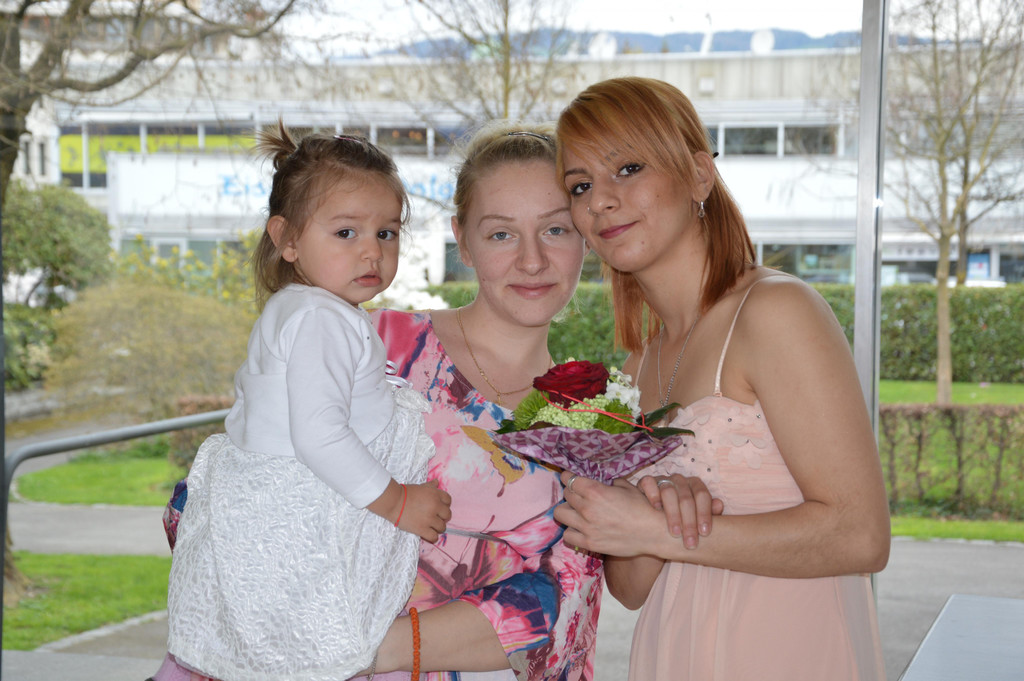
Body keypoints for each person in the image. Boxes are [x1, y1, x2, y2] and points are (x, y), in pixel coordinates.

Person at [151, 120, 613, 681]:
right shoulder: (369, 343)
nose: (532, 260)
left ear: (586, 236)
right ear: (462, 240)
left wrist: (370, 647)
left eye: (556, 229)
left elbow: (567, 605)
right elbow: (215, 504)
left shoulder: (594, 424)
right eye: (500, 234)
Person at [552, 76, 891, 680]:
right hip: (675, 651)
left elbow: (860, 535)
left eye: (627, 168)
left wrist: (658, 529)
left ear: (699, 175)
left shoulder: (776, 311)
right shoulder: (636, 367)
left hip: (783, 653)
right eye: (581, 186)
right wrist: (633, 511)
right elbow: (631, 588)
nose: (600, 200)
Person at [163, 124, 452, 681]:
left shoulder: (306, 309)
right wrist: (398, 502)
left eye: (387, 232)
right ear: (287, 239)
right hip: (307, 513)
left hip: (284, 504)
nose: (372, 250)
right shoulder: (320, 318)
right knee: (313, 644)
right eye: (346, 232)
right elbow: (320, 435)